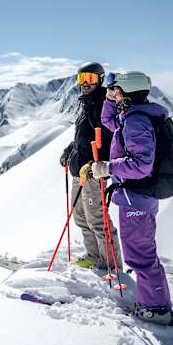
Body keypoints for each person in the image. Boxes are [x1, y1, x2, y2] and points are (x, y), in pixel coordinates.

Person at [91, 71, 173, 324]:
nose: (114, 95)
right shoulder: (133, 116)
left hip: (136, 196)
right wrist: (107, 96)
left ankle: (156, 308)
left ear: (127, 93)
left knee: (140, 255)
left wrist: (108, 168)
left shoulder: (136, 121)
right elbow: (107, 120)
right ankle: (157, 301)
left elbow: (141, 165)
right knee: (142, 251)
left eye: (117, 91)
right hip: (138, 196)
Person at [59, 62, 121, 271]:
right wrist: (70, 151)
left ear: (100, 80)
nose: (85, 83)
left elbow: (111, 140)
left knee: (98, 221)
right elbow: (82, 136)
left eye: (91, 79)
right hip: (78, 170)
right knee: (81, 218)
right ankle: (94, 256)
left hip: (93, 173)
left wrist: (93, 164)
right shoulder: (86, 103)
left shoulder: (103, 105)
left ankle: (112, 266)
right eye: (81, 78)